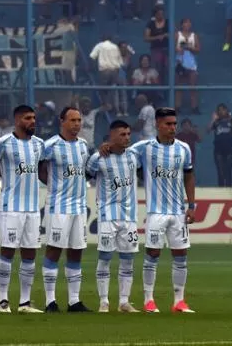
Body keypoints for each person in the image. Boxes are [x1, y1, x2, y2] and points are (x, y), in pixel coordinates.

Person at [99, 107, 195, 314]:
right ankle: (149, 300)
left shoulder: (184, 149)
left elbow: (188, 175)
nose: (173, 128)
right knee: (152, 254)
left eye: (174, 124)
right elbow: (120, 150)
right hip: (155, 212)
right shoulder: (143, 148)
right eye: (168, 124)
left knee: (181, 255)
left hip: (178, 212)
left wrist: (192, 205)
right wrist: (106, 146)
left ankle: (179, 301)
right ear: (158, 125)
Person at [0, 104, 44, 314]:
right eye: (28, 118)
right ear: (18, 120)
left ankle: (25, 303)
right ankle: (3, 300)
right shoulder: (2, 143)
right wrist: (5, 173)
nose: (32, 122)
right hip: (11, 207)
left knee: (30, 254)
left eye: (34, 118)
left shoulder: (39, 145)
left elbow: (41, 169)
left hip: (33, 208)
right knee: (7, 252)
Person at [38, 106, 91, 313]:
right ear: (62, 121)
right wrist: (52, 184)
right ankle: (50, 301)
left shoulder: (84, 145)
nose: (77, 124)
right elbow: (40, 169)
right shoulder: (50, 145)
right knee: (53, 251)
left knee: (76, 251)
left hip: (79, 207)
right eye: (72, 120)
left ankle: (74, 301)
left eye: (79, 120)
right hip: (58, 207)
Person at [86, 119, 140, 314]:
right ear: (111, 136)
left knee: (127, 259)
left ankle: (124, 302)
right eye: (122, 135)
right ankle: (104, 301)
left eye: (128, 134)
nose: (126, 138)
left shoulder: (134, 155)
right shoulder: (98, 158)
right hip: (107, 215)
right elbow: (85, 177)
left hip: (129, 217)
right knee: (105, 257)